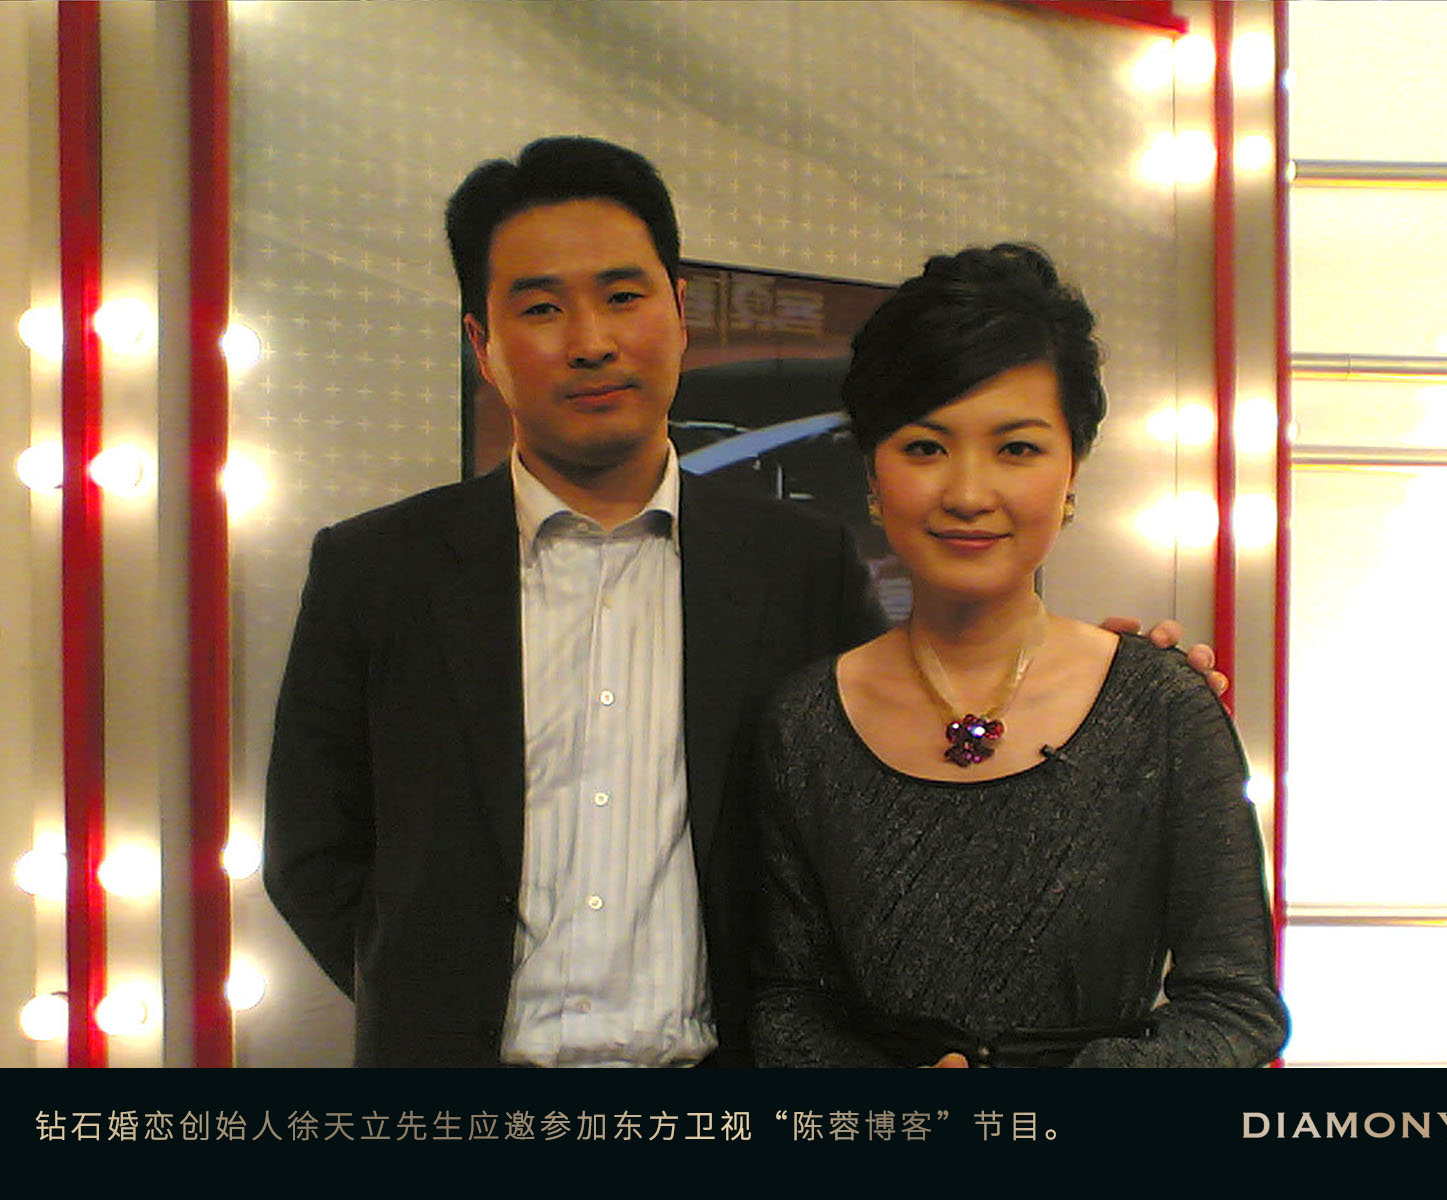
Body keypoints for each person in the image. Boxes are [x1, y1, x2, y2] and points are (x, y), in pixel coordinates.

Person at [263, 135, 1224, 1068]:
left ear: (680, 314)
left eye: (623, 296)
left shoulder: (797, 564)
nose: (591, 342)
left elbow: (894, 772)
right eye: (542, 307)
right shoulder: (376, 571)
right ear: (483, 342)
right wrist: (432, 1000)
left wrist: (1104, 699)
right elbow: (312, 851)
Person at [751, 244, 1287, 1067]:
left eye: (1018, 449)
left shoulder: (1161, 706)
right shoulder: (803, 725)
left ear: (1074, 470)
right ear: (872, 472)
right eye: (925, 447)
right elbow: (786, 1006)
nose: (969, 493)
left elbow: (1235, 1005)